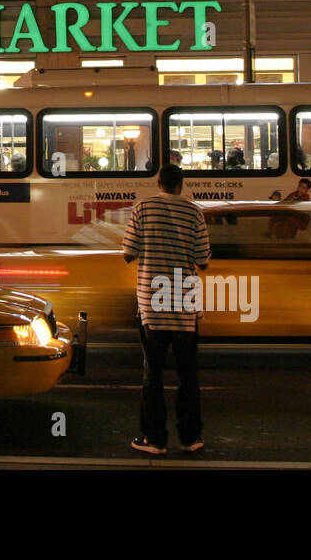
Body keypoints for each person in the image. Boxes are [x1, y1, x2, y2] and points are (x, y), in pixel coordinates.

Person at [122, 163, 210, 455]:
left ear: (159, 182)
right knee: (188, 374)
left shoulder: (142, 208)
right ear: (181, 184)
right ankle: (190, 438)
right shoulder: (194, 212)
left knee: (153, 373)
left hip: (152, 303)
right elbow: (203, 259)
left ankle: (155, 440)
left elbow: (128, 253)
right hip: (185, 303)